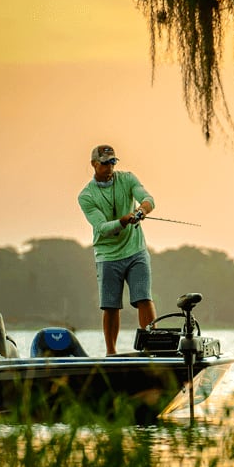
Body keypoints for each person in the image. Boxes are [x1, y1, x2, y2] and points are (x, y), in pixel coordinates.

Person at [78, 143, 157, 355]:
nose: (110, 167)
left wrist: (141, 210)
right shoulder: (86, 196)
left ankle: (152, 348)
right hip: (107, 254)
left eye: (113, 162)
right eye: (105, 163)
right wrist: (122, 221)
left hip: (135, 250)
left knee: (143, 297)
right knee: (111, 306)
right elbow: (102, 228)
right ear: (94, 164)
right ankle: (111, 352)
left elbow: (149, 199)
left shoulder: (128, 178)